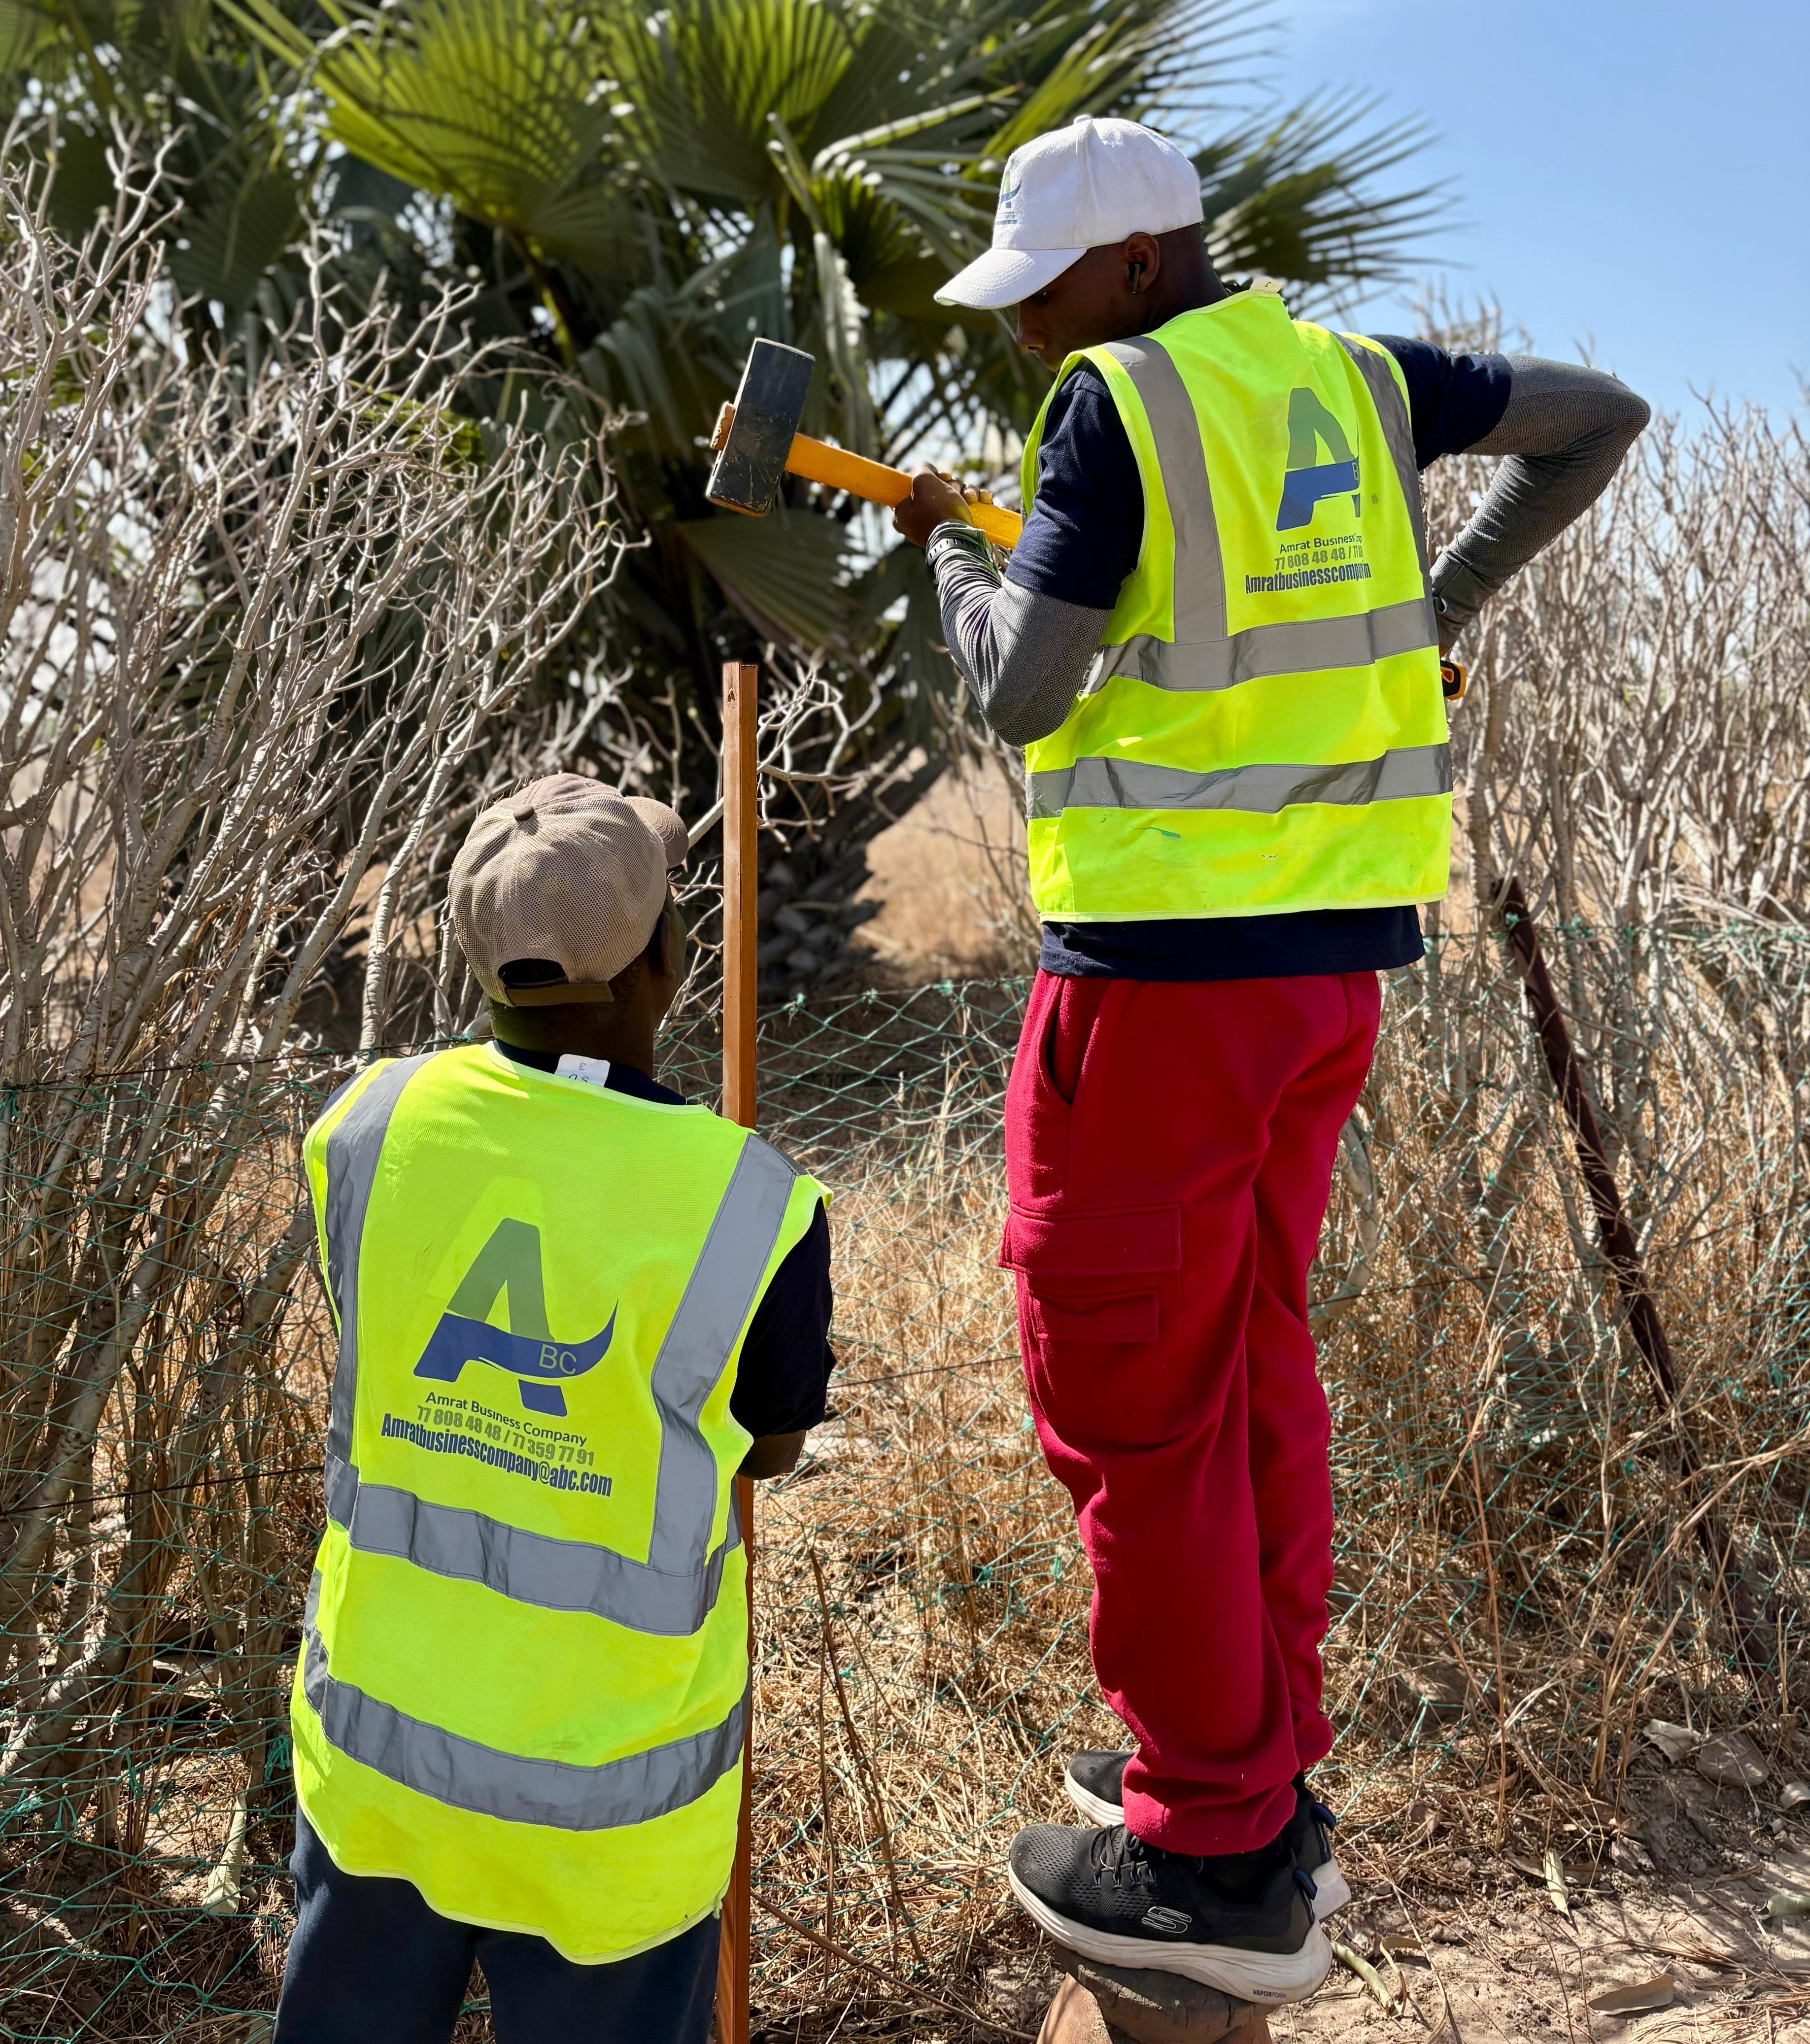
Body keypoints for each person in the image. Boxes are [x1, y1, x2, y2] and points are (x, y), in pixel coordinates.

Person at [893, 114, 1647, 2006]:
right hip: (1328, 982)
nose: (1025, 333)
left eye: (1044, 289)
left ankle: (1213, 1853)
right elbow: (1603, 414)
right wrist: (1437, 605)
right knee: (1243, 1371)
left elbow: (1024, 687)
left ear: (1139, 263)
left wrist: (945, 568)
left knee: (1135, 1405)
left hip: (1155, 990)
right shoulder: (1357, 380)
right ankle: (1254, 1768)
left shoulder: (1114, 403)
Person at [273, 775, 835, 2044]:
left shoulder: (366, 1127)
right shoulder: (750, 1205)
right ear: (665, 964)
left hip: (380, 1771)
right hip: (607, 1818)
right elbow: (778, 1445)